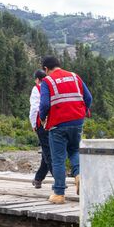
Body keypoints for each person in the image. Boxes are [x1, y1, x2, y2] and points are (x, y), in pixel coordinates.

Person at [39, 55, 92, 204]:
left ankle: (59, 193)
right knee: (74, 150)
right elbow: (88, 98)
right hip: (77, 122)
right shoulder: (75, 77)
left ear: (46, 69)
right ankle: (79, 176)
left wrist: (43, 118)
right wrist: (82, 111)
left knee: (58, 159)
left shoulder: (47, 81)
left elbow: (43, 105)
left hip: (58, 124)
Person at [29, 69, 53, 189]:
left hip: (42, 123)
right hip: (54, 123)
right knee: (46, 151)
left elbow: (34, 109)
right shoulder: (52, 87)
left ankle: (59, 179)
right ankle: (38, 179)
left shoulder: (36, 89)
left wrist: (34, 124)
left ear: (37, 79)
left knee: (48, 152)